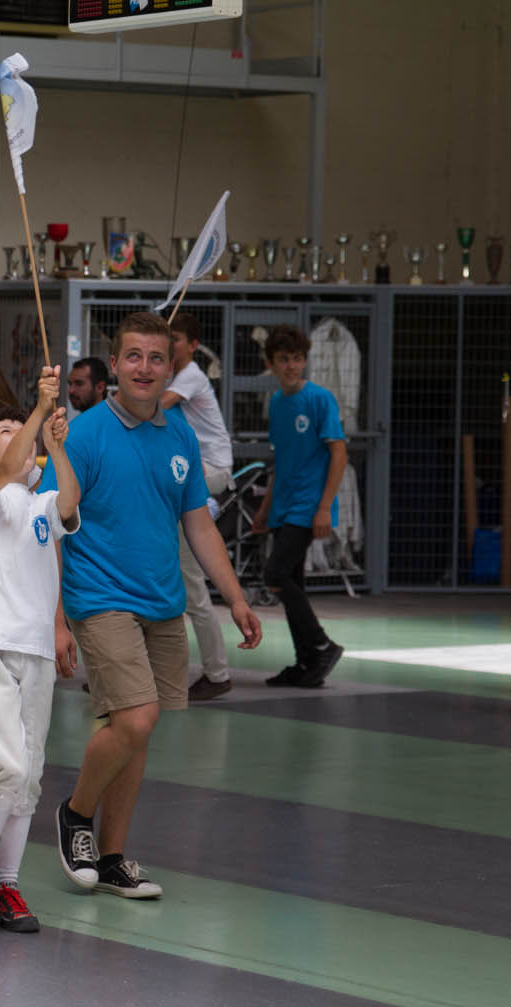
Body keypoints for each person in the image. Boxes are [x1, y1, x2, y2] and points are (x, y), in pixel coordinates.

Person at [47, 311, 261, 900]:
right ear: (115, 365)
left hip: (162, 602)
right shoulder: (85, 434)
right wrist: (57, 619)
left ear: (172, 366)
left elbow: (198, 524)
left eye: (156, 358)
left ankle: (113, 857)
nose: (145, 368)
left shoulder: (180, 434)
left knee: (136, 732)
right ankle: (75, 813)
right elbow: (50, 526)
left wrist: (235, 597)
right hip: (100, 597)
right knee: (136, 718)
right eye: (134, 356)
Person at [0, 368, 79, 933]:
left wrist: (56, 446)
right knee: (5, 765)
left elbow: (71, 503)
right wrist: (38, 409)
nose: (17, 438)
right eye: (4, 432)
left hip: (35, 650)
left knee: (29, 775)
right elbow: (9, 469)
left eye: (19, 431)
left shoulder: (41, 503)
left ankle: (8, 879)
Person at [251, 324, 347, 688]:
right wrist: (265, 509)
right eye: (283, 359)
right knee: (292, 583)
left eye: (296, 358)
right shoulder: (277, 403)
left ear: (305, 360)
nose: (291, 366)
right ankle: (306, 662)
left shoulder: (320, 399)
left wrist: (324, 507)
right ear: (271, 364)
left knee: (275, 575)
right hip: (283, 505)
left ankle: (322, 645)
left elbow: (338, 453)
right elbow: (282, 460)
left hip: (308, 505)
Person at [162, 313, 236, 700]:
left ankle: (217, 671)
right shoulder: (170, 377)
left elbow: (154, 406)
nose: (169, 345)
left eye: (175, 338)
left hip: (212, 470)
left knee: (191, 584)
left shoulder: (189, 376)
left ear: (192, 345)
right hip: (192, 472)